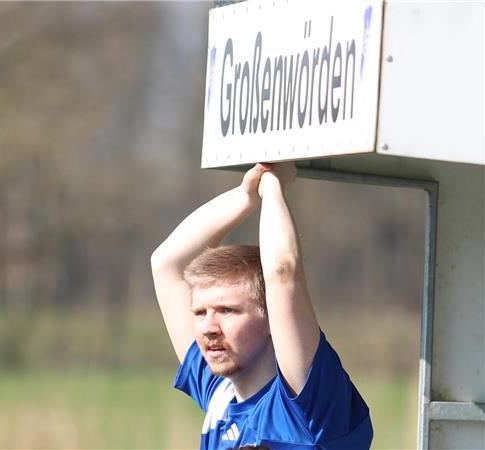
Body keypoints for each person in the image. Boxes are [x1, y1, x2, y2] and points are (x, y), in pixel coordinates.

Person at [151, 162, 372, 449]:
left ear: (272, 318)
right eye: (200, 312)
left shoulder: (307, 404)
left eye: (228, 310)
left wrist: (272, 185)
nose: (208, 328)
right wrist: (246, 195)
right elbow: (167, 264)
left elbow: (282, 271)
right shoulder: (220, 396)